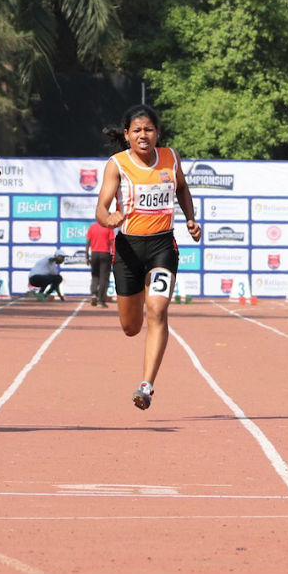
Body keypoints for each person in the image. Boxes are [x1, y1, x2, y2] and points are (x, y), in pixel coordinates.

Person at [95, 104, 201, 410]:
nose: (144, 135)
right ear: (127, 135)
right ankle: (136, 303)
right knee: (131, 327)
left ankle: (146, 385)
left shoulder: (171, 158)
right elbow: (101, 207)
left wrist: (190, 219)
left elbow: (182, 189)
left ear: (158, 133)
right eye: (137, 130)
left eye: (149, 129)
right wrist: (109, 218)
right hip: (128, 249)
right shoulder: (117, 164)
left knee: (157, 311)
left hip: (162, 247)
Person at [85, 220, 114, 307]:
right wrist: (113, 256)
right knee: (104, 278)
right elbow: (112, 242)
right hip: (105, 253)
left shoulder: (92, 227)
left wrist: (87, 256)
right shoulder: (108, 227)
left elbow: (87, 243)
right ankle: (101, 301)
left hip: (94, 254)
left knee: (95, 276)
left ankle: (94, 294)